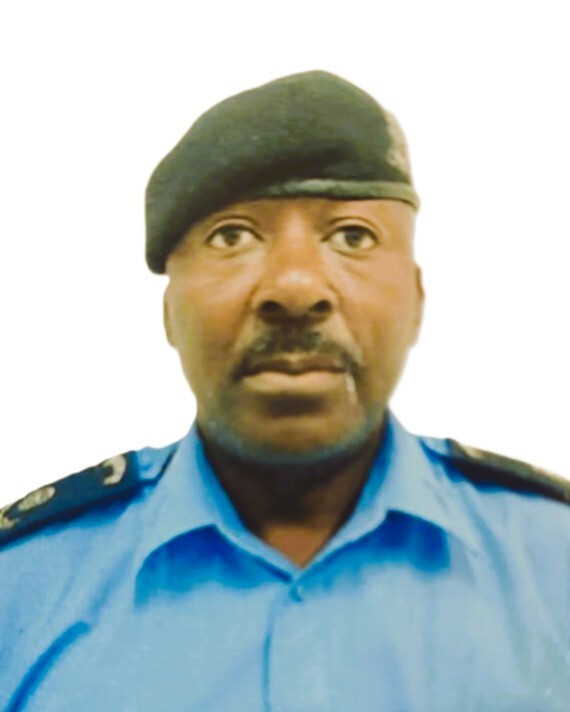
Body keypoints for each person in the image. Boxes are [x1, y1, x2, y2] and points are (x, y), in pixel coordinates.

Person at [1, 71, 569, 711]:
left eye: (352, 236)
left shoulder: (554, 563)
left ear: (416, 301)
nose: (295, 287)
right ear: (168, 314)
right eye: (233, 235)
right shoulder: (21, 586)